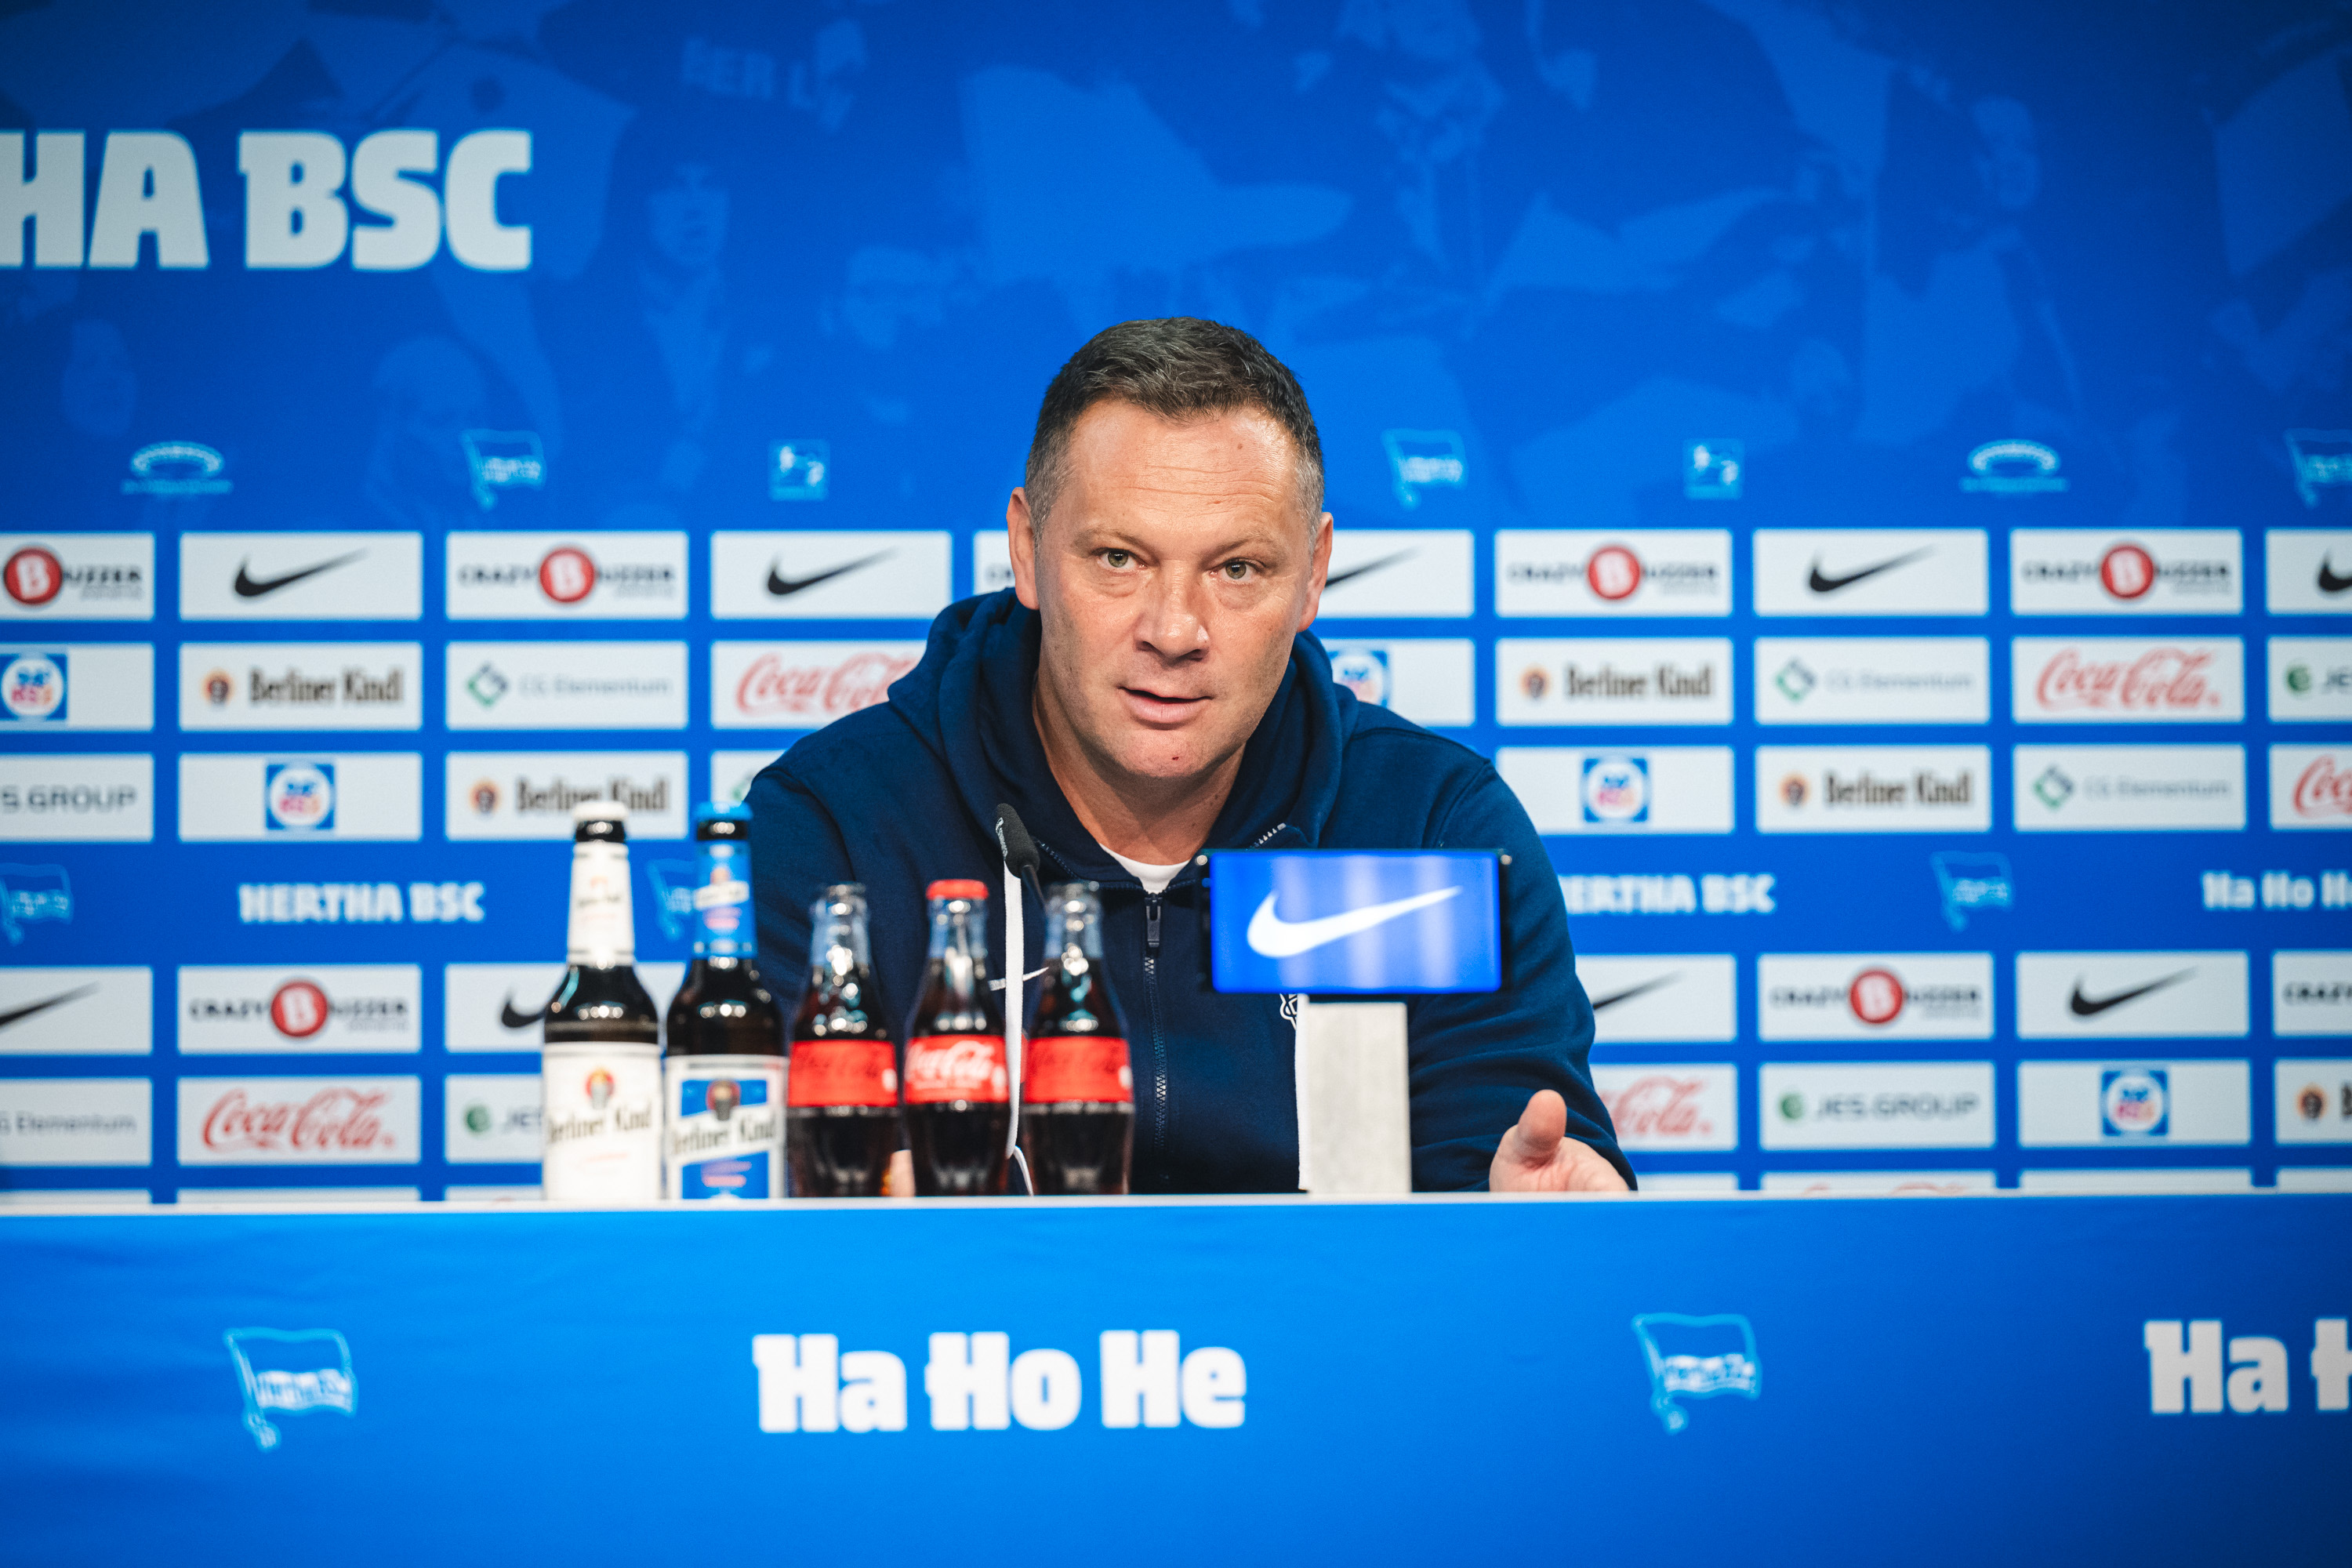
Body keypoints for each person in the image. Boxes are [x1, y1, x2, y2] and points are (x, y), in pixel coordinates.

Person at [748, 318, 1628, 1193]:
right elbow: (804, 1231)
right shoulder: (840, 829)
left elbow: (1498, 1177)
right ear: (1026, 548)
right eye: (1119, 558)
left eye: (1238, 569)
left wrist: (1530, 1226)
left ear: (1314, 572)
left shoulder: (1433, 830)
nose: (1174, 630)